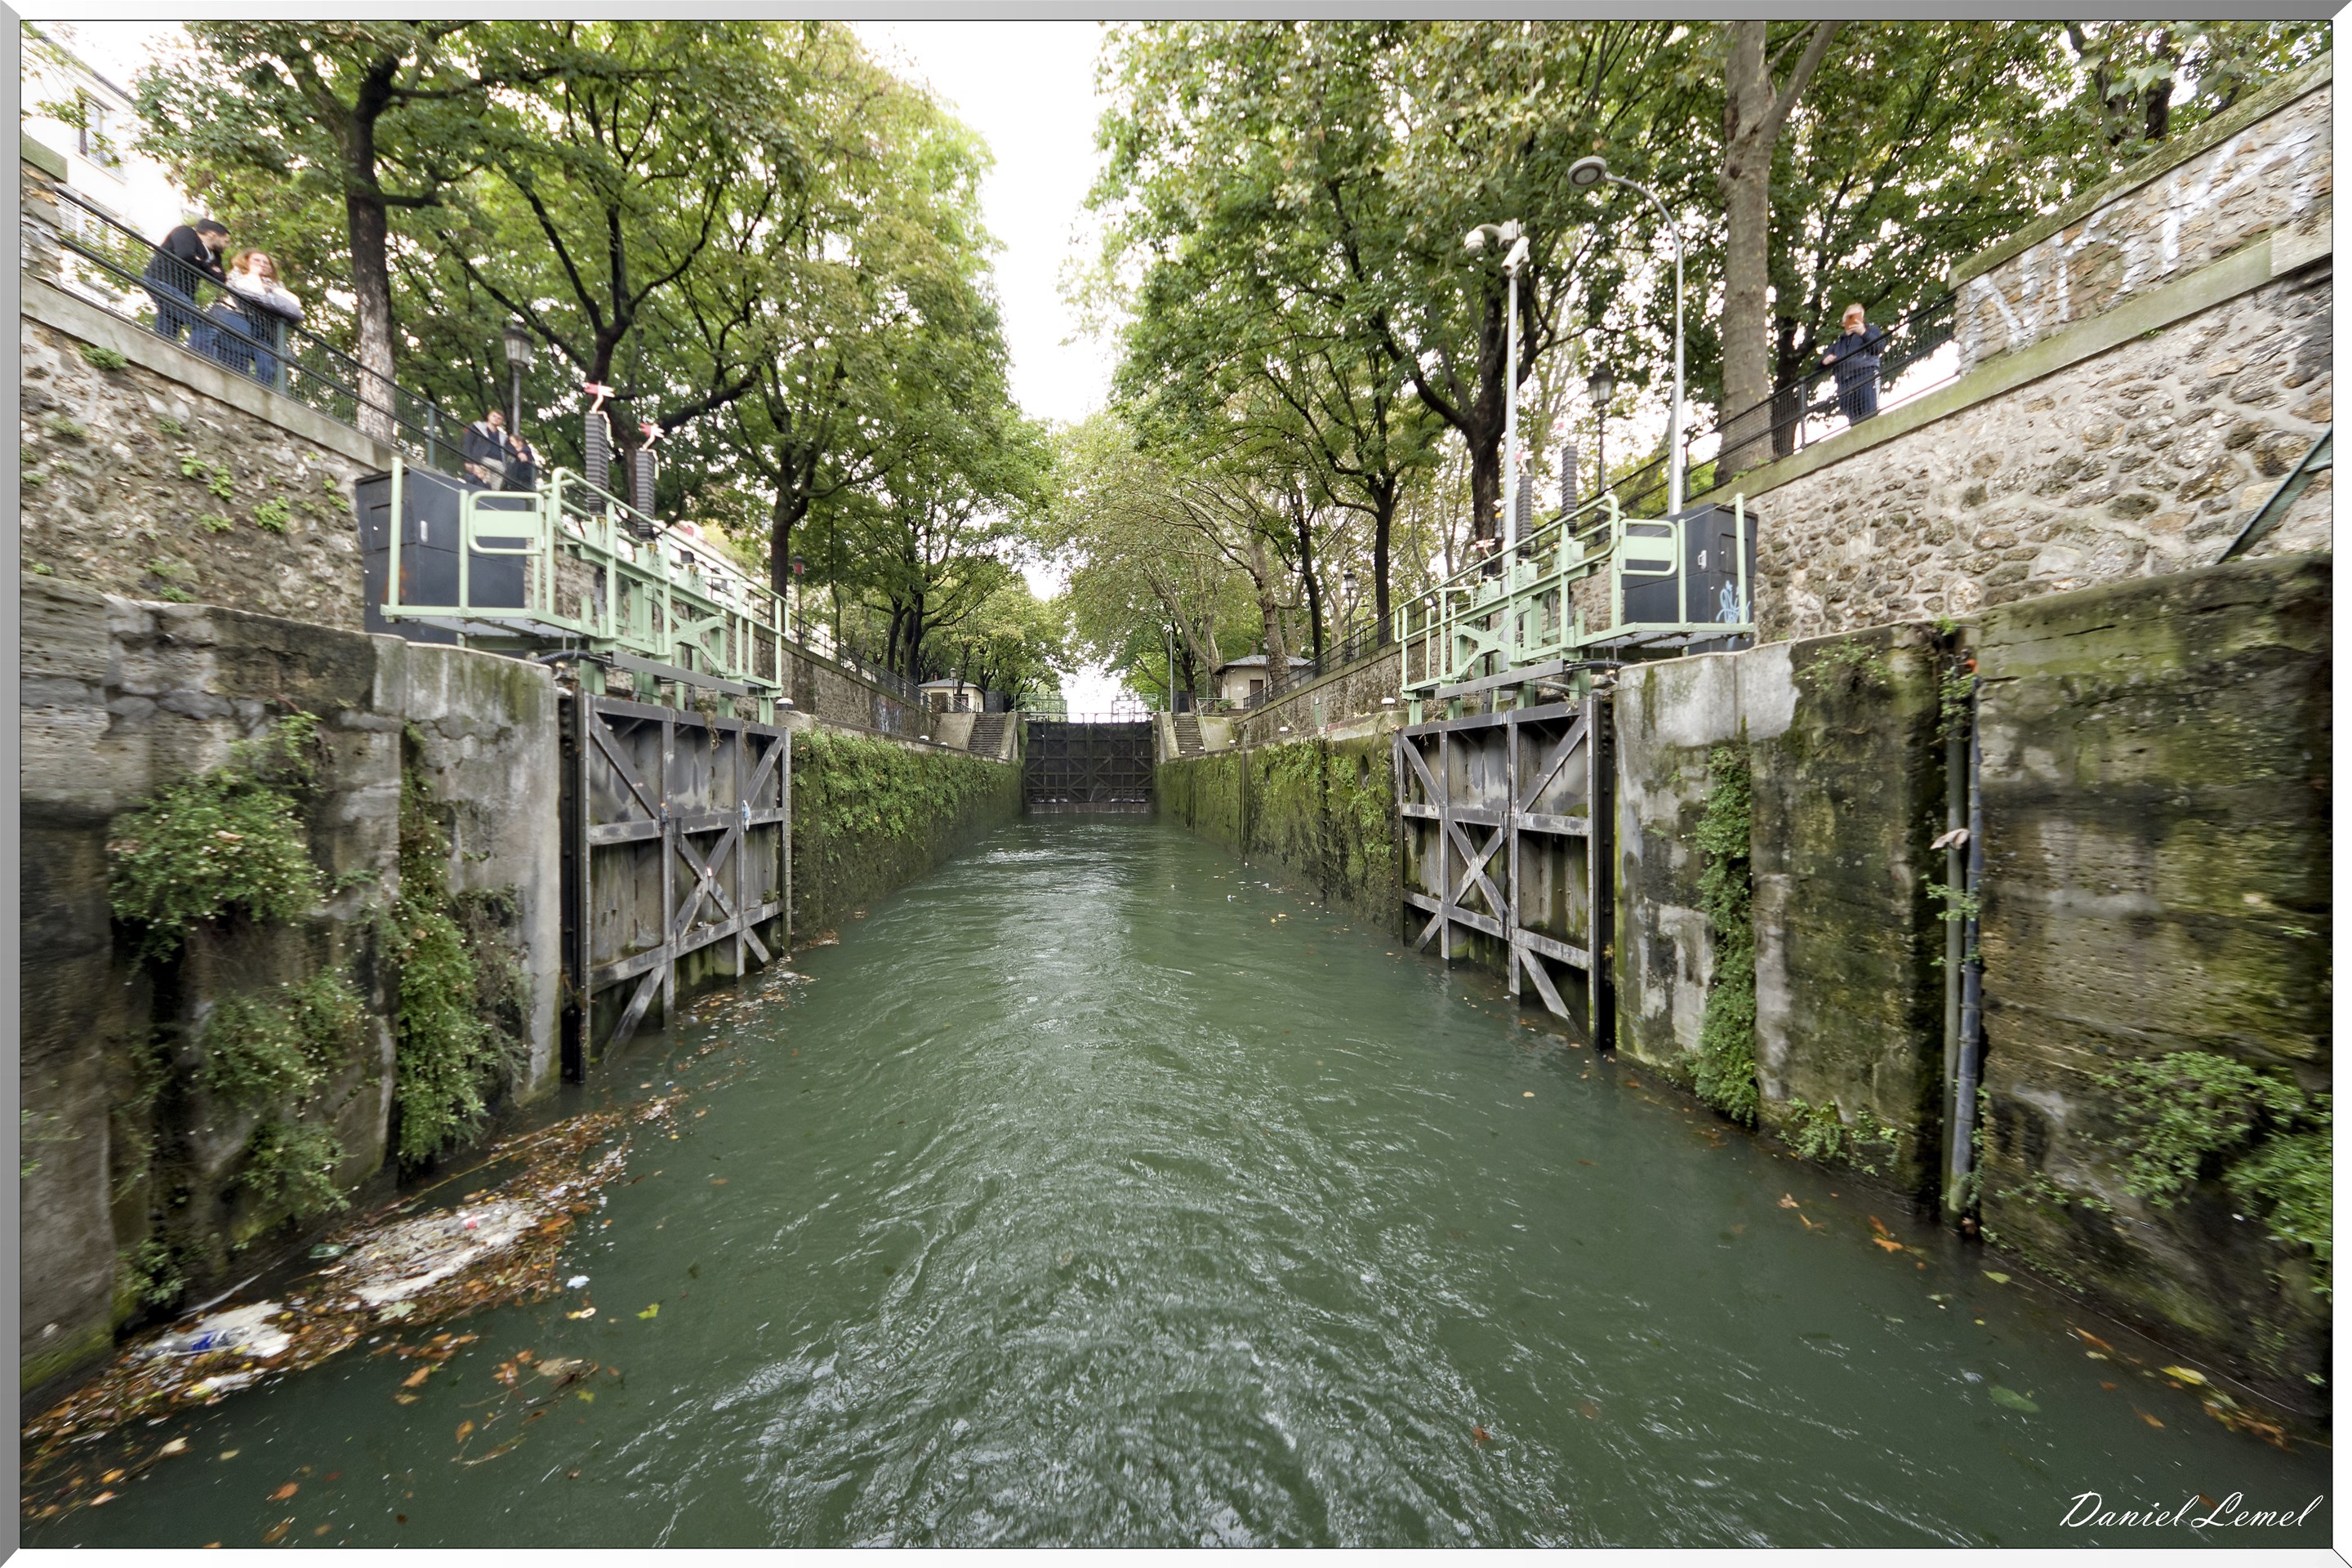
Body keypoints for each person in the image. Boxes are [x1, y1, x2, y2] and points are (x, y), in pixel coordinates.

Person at [207, 251, 304, 388]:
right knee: (236, 355)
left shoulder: (278, 284)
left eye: (266, 262)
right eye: (257, 260)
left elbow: (293, 305)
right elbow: (244, 291)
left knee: (267, 365)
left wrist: (265, 292)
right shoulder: (237, 275)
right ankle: (234, 385)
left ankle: (260, 391)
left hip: (266, 328)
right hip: (240, 317)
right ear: (246, 261)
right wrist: (261, 284)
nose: (262, 264)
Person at [142, 217, 228, 349]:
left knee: (169, 326)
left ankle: (158, 352)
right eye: (225, 241)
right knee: (204, 324)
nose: (226, 246)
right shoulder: (185, 232)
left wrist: (199, 262)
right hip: (162, 281)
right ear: (213, 234)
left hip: (183, 292)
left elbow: (220, 278)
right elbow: (185, 255)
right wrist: (208, 268)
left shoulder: (215, 255)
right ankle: (199, 360)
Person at [1820, 303, 1889, 424]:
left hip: (1866, 375)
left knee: (1869, 414)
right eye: (1850, 317)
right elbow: (1820, 366)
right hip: (1845, 383)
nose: (1853, 320)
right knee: (1853, 420)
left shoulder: (1871, 330)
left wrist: (1863, 332)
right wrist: (1824, 362)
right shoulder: (1838, 343)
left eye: (1857, 316)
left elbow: (1879, 347)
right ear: (1844, 322)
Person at [463, 409, 514, 488]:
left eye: (499, 418)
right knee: (481, 485)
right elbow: (468, 443)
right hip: (482, 460)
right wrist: (468, 460)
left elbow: (512, 449)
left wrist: (523, 452)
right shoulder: (477, 427)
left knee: (494, 491)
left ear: (501, 421)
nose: (496, 419)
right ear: (489, 417)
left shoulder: (503, 437)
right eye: (494, 416)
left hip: (499, 464)